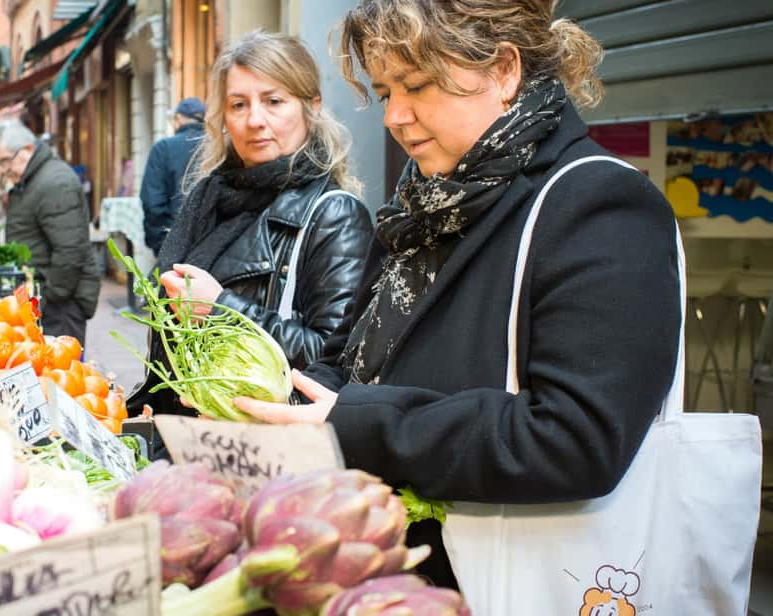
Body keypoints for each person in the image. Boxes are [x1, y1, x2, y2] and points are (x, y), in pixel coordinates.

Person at [229, 0, 682, 589]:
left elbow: (578, 439)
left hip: (510, 583)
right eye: (386, 89)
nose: (394, 115)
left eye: (416, 85)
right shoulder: (425, 203)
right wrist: (279, 409)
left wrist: (362, 423)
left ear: (503, 70)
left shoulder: (599, 204)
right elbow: (353, 360)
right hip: (397, 576)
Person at [126, 30, 373, 422]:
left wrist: (222, 308)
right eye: (238, 105)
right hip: (193, 437)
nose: (254, 120)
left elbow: (336, 358)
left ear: (311, 106)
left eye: (274, 101)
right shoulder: (208, 203)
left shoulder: (334, 215)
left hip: (264, 450)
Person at [0, 119, 101, 343]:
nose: (4, 169)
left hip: (60, 304)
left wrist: (49, 297)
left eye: (5, 161)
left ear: (27, 149)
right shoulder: (33, 179)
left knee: (60, 369)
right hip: (47, 298)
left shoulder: (55, 182)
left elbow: (70, 250)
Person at [139, 97, 206, 253]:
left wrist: (158, 241)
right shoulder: (216, 145)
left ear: (179, 118)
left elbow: (152, 202)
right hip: (210, 242)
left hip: (171, 240)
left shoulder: (163, 148)